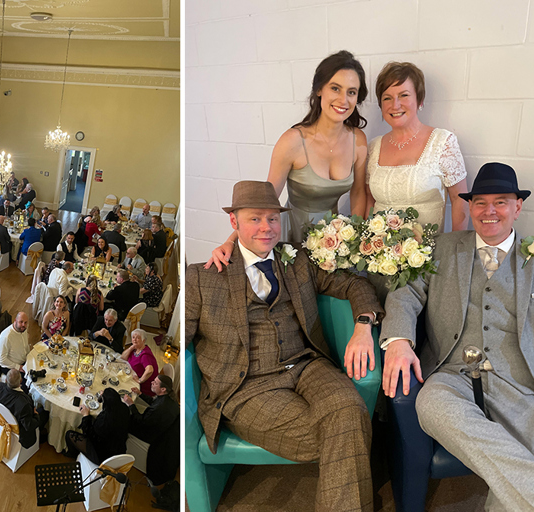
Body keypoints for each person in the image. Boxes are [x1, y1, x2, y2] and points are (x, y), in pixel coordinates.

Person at [186, 180, 383, 512]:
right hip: (247, 387)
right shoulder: (202, 277)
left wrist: (364, 324)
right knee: (344, 433)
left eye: (273, 219)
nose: (266, 227)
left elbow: (353, 284)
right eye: (255, 219)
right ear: (234, 223)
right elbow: (182, 339)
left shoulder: (297, 260)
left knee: (350, 411)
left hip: (307, 365)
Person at [381, 163, 534, 510]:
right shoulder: (443, 247)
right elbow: (405, 292)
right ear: (470, 206)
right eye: (480, 202)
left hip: (519, 380)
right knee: (430, 405)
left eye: (501, 202)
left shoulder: (532, 257)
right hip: (453, 377)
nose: (489, 211)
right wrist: (400, 341)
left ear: (517, 207)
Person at [208, 51, 371, 271]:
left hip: (335, 236)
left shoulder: (358, 140)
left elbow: (359, 193)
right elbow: (267, 199)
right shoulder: (292, 141)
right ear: (319, 89)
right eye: (335, 88)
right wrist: (230, 241)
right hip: (292, 233)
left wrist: (352, 236)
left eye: (351, 92)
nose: (344, 100)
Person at [366, 61, 468, 231]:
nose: (395, 105)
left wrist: (456, 248)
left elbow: (460, 199)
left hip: (429, 252)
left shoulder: (443, 142)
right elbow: (369, 199)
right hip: (379, 253)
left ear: (419, 100)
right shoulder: (373, 147)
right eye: (387, 98)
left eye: (404, 95)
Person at [64, 387, 130, 464]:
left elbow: (89, 434)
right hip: (118, 449)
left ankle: (73, 454)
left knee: (69, 435)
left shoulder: (104, 421)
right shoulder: (125, 409)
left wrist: (86, 415)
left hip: (102, 456)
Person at [0, 369, 49, 449]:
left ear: (6, 380)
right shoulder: (24, 403)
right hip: (19, 429)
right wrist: (36, 415)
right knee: (45, 412)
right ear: (21, 381)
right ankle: (40, 436)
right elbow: (29, 425)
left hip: (1, 419)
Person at [123, 374, 179, 444]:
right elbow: (153, 401)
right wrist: (140, 393)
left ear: (163, 389)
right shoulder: (169, 397)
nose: (151, 382)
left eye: (155, 383)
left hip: (150, 435)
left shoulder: (159, 408)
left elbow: (140, 421)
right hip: (162, 428)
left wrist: (131, 404)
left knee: (122, 415)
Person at [120, 329, 159, 397]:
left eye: (138, 338)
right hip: (132, 375)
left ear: (143, 340)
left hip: (143, 387)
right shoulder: (136, 348)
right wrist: (131, 347)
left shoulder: (145, 355)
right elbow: (123, 358)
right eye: (133, 337)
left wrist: (140, 380)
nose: (134, 340)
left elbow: (150, 370)